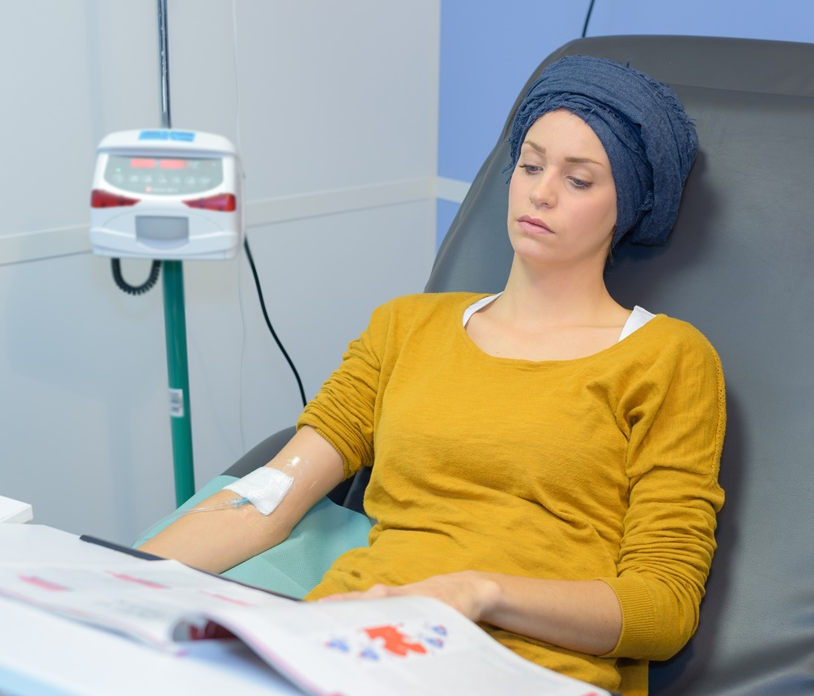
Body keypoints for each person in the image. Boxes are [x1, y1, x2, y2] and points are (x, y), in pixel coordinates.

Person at [141, 55, 725, 695]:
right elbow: (266, 503)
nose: (541, 192)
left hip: (527, 670)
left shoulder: (667, 357)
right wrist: (117, 583)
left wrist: (477, 594)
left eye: (579, 180)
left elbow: (663, 605)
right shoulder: (406, 329)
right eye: (530, 165)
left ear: (629, 204)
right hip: (348, 643)